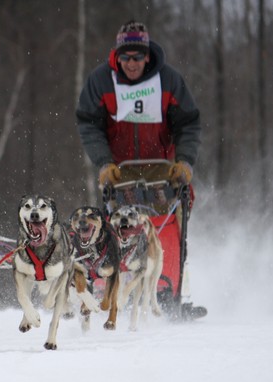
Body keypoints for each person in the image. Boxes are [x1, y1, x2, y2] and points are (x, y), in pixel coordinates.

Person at [76, 20, 205, 319]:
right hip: (119, 172)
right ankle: (108, 288)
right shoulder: (101, 82)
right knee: (114, 226)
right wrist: (103, 161)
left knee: (165, 226)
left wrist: (184, 161)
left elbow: (189, 122)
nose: (131, 63)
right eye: (125, 57)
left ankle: (166, 288)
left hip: (162, 170)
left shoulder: (169, 81)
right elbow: (88, 122)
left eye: (137, 57)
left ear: (147, 56)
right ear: (117, 56)